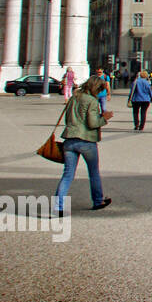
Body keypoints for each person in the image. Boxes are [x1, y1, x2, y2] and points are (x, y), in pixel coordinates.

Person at [54, 77, 113, 217]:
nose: (99, 93)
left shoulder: (74, 97)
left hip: (69, 140)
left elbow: (67, 118)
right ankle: (98, 201)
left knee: (67, 175)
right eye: (99, 90)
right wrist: (105, 118)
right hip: (86, 141)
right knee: (93, 173)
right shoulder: (92, 101)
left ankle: (58, 206)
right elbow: (92, 123)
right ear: (96, 88)